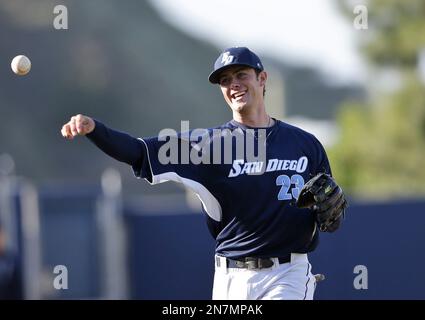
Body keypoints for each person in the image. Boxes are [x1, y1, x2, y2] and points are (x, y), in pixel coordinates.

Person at [61, 47, 346, 300]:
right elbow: (137, 151)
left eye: (241, 75)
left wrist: (331, 214)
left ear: (262, 79)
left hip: (288, 274)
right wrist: (95, 130)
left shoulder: (305, 144)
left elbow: (331, 215)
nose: (233, 84)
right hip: (231, 277)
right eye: (225, 80)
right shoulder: (207, 146)